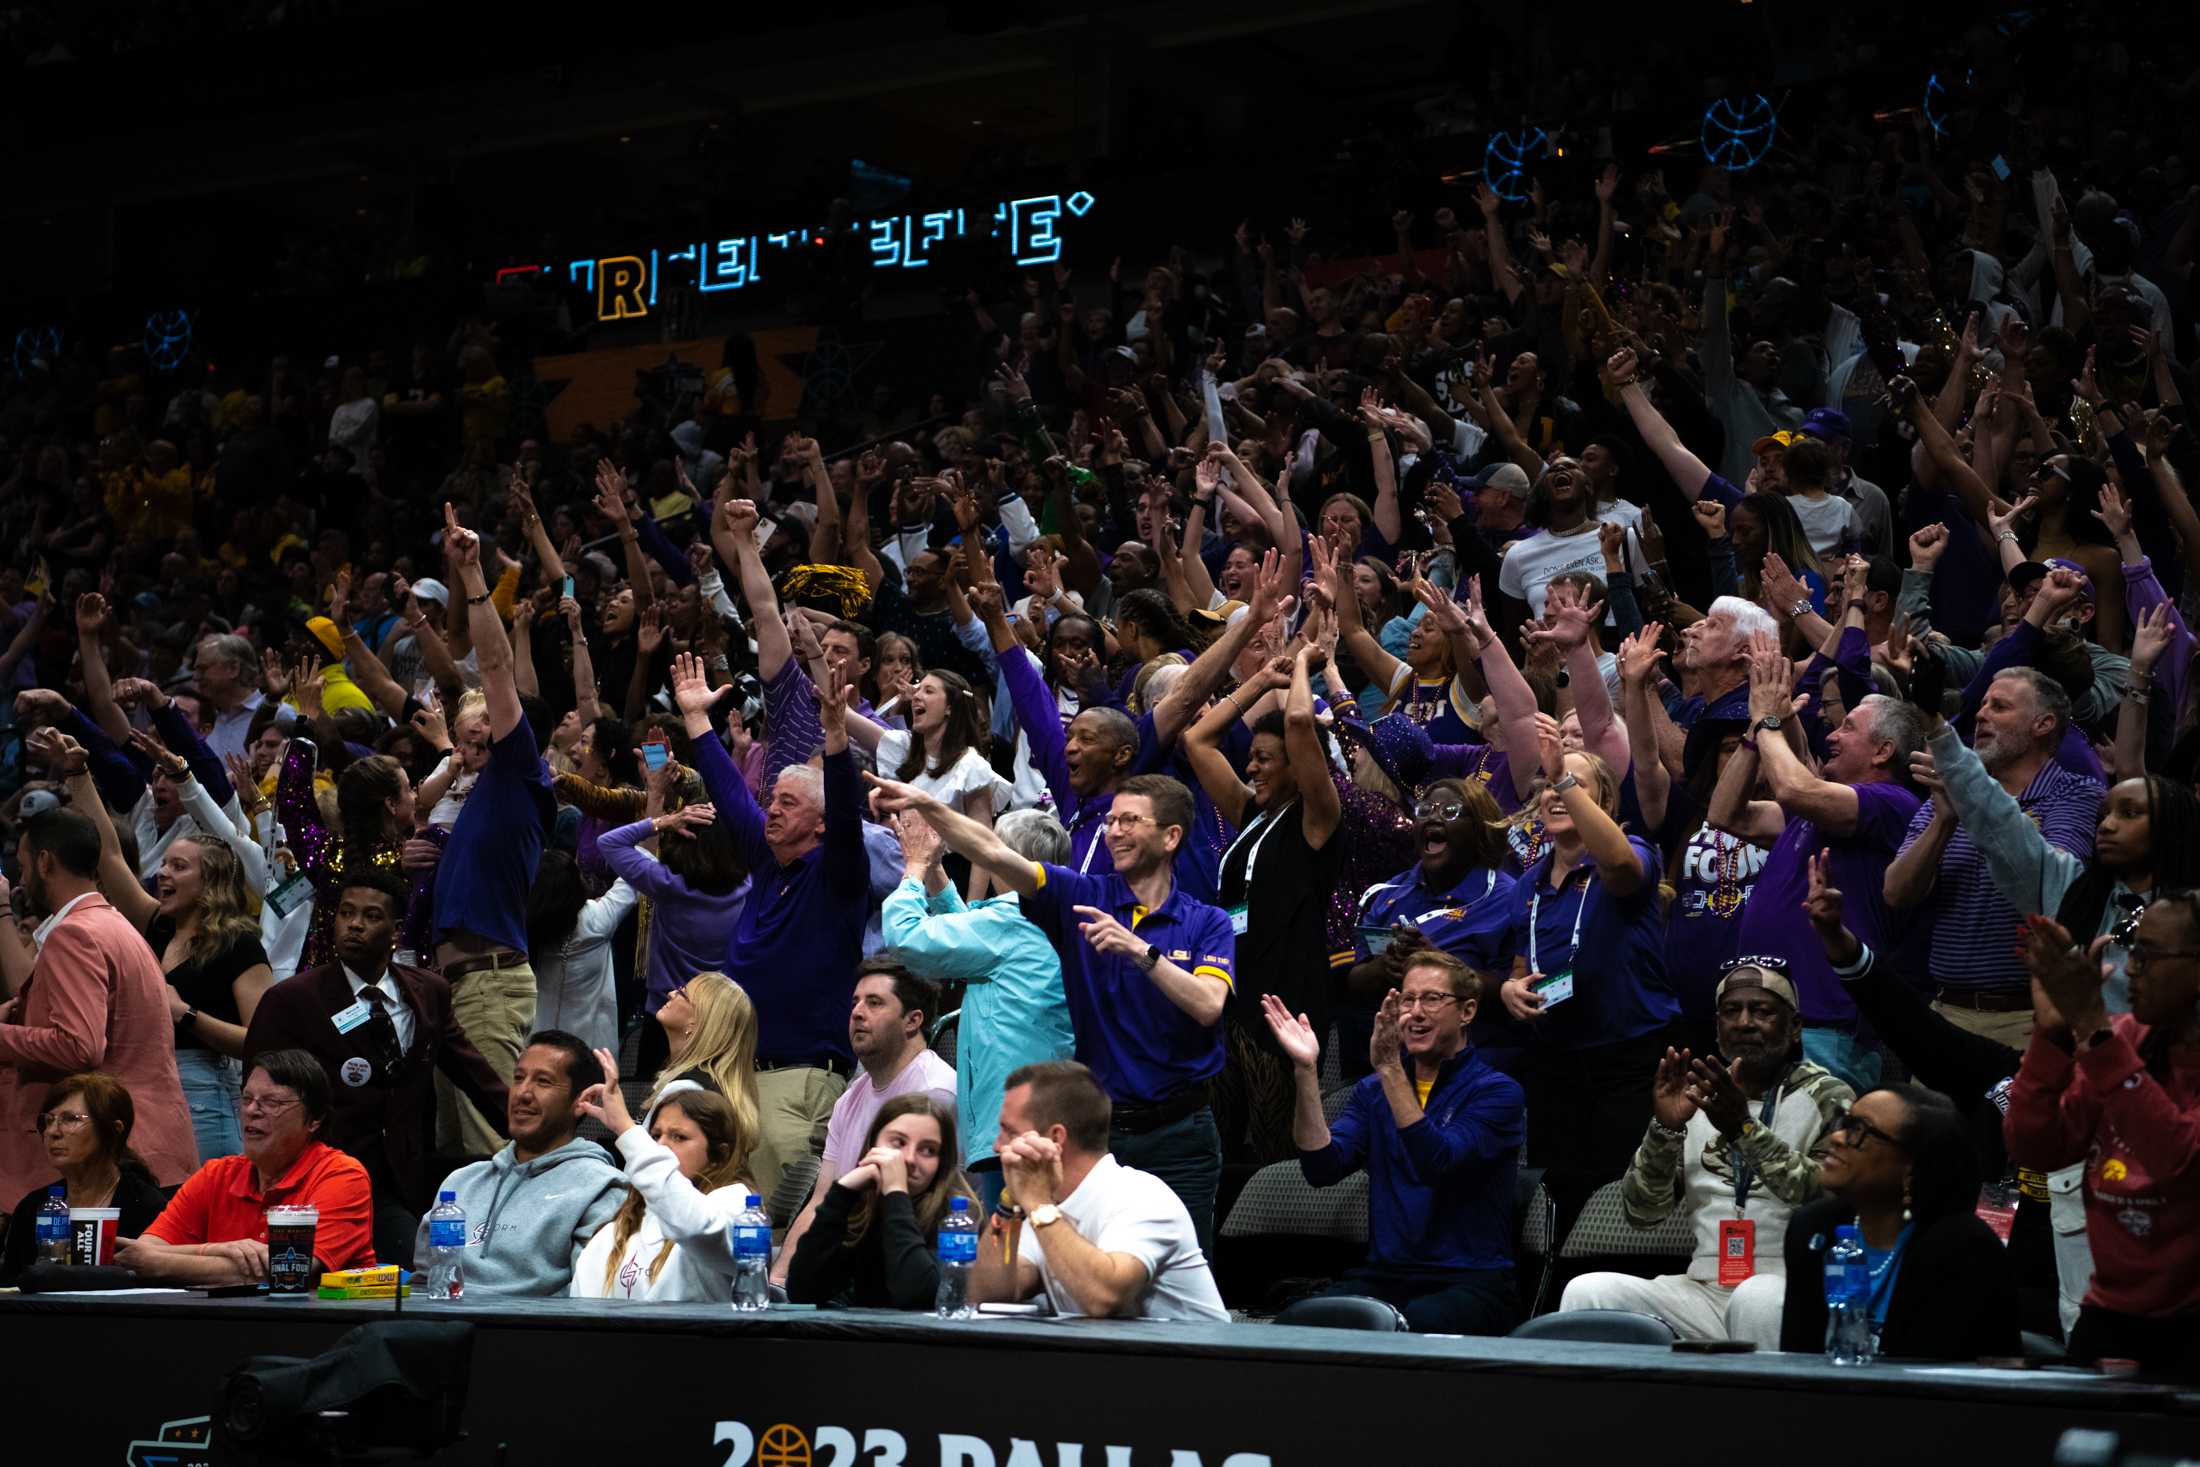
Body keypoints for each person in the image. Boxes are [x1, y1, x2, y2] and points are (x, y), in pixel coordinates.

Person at [870, 771, 1235, 1248]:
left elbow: (1209, 1006)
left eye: (1130, 820)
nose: (1114, 831)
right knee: (1083, 1271)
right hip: (1098, 1134)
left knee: (1179, 1267)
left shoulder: (1207, 922)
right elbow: (996, 853)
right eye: (1110, 820)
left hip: (1181, 1134)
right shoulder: (1083, 896)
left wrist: (1140, 952)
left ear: (1171, 837)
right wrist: (926, 802)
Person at [1558, 961, 1852, 1346]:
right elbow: (1642, 1212)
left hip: (1790, 1286)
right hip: (1703, 1287)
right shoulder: (1697, 1094)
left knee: (1757, 1297)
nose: (1744, 1022)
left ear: (1794, 1027)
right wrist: (1665, 1129)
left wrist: (1742, 1130)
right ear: (1717, 1027)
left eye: (1762, 1011)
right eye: (1731, 1011)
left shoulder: (1828, 1095)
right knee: (1589, 1292)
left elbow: (1828, 1200)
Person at [675, 645, 871, 1204]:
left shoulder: (837, 876)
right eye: (773, 799)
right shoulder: (768, 861)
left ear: (820, 823)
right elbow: (731, 793)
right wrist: (696, 718)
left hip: (799, 1079)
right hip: (737, 1075)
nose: (774, 810)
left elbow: (847, 818)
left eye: (788, 802)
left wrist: (835, 735)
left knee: (781, 1224)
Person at [243, 868, 511, 1266]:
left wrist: (531, 1126)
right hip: (323, 1176)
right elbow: (259, 1095)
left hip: (407, 1175)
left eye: (370, 917)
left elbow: (472, 1073)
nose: (354, 925)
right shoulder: (293, 1000)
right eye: (346, 913)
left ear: (396, 930)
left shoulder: (428, 992)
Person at [1269, 950, 1526, 1334]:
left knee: (1417, 1325)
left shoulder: (1497, 1092)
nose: (1415, 1012)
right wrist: (1305, 1071)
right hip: (1386, 1276)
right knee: (1298, 1321)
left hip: (1469, 1281)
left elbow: (1436, 1162)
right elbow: (1321, 1168)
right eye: (1408, 999)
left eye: (1432, 999)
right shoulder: (1373, 1092)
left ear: (1468, 1011)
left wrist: (1389, 1067)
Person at [1710, 642, 1928, 1092]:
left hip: (1829, 1029)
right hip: (1772, 1020)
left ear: (1883, 751)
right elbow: (1725, 814)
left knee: (1816, 1159)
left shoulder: (1894, 804)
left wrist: (1768, 718)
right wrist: (1756, 732)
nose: (1831, 732)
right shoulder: (1811, 809)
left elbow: (1792, 788)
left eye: (1847, 728)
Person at [52, 734, 270, 1163]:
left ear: (210, 883)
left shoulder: (239, 944)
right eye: (164, 864)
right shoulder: (156, 926)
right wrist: (78, 774)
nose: (162, 874)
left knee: (191, 1219)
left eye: (178, 867)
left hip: (203, 1092)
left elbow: (261, 1041)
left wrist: (186, 1015)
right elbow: (110, 856)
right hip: (139, 1085)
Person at [2008, 899, 2200, 1378]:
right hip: (2111, 1314)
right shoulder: (2125, 1038)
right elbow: (2036, 1149)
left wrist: (2093, 1029)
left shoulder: (2108, 1042)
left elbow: (2180, 1163)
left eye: (2150, 956)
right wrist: (2051, 1036)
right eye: (2132, 949)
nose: (2130, 968)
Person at [1495, 734, 1678, 1235]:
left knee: (1617, 1192)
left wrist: (1561, 776)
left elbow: (1619, 865)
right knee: (1560, 1193)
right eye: (1547, 784)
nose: (1554, 793)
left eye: (1571, 782)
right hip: (1555, 1060)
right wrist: (1511, 988)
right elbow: (1520, 960)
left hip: (1627, 1057)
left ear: (1602, 800)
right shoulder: (1528, 882)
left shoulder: (1632, 852)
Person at [1181, 644, 1342, 1162]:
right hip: (1234, 999)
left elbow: (1299, 720)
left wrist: (1297, 667)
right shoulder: (1251, 813)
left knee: (1277, 1146)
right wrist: (1258, 681)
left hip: (1287, 1003)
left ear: (1298, 765)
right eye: (1250, 756)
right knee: (1222, 1143)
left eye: (1264, 758)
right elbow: (1197, 739)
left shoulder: (1317, 819)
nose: (1251, 767)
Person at [432, 503, 556, 1157]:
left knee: (490, 1149)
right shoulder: (477, 794)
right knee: (457, 1154)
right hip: (453, 988)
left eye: (489, 723)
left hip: (488, 982)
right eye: (467, 726)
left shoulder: (519, 776)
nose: (479, 732)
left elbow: (496, 669)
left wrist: (474, 576)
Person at [1890, 668, 2101, 1045]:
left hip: (2026, 1018)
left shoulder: (2075, 794)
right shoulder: (1945, 795)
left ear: (2043, 724)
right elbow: (1896, 893)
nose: (1980, 714)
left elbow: (2052, 889)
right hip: (1945, 1011)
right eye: (1983, 704)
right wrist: (1944, 822)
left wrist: (1973, 799)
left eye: (1999, 707)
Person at [880, 806, 1076, 1213]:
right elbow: (967, 931)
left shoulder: (1009, 923)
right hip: (1040, 1115)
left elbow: (908, 939)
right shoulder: (1038, 915)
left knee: (1013, 1258)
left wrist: (914, 867)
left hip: (1015, 1126)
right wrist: (933, 868)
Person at [0, 806, 197, 1202]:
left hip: (111, 1160)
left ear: (44, 862)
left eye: (22, 867)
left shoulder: (74, 934)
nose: (21, 881)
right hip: (151, 1146)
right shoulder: (116, 925)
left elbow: (80, 1045)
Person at [968, 1060, 1228, 1321]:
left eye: (1008, 1131)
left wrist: (1038, 1205)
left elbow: (1104, 1297)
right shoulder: (1040, 1203)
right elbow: (986, 1294)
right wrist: (1009, 1203)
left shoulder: (1142, 1198)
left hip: (1199, 1360)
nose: (997, 1146)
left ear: (1056, 1138)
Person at [1779, 1084, 2020, 1359]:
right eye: (1844, 1123)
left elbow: (1939, 1382)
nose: (1836, 1138)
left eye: (1859, 1130)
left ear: (1913, 1164)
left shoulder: (1962, 1248)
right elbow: (1799, 1363)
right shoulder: (1813, 1229)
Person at [117, 1048, 375, 1283]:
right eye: (246, 1099)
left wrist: (163, 1262)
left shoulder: (341, 1176)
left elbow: (288, 1269)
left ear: (315, 1120)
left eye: (272, 1102)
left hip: (318, 1328)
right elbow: (142, 1252)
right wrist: (218, 1248)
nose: (252, 1110)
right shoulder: (216, 1175)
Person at [775, 960, 956, 1281]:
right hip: (852, 1257)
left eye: (874, 1003)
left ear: (913, 1021)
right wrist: (778, 1281)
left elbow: (941, 1203)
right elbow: (821, 1199)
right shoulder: (850, 1097)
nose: (857, 1012)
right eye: (855, 1002)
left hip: (912, 1264)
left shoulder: (935, 1091)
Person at [420, 1030, 629, 1297]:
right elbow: (426, 1278)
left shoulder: (601, 1188)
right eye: (518, 1078)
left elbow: (587, 1296)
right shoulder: (461, 1183)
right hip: (438, 1325)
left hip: (529, 1332)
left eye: (543, 1082)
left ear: (582, 1102)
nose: (522, 1093)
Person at [571, 1046, 755, 1303]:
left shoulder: (737, 1206)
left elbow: (694, 1226)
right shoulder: (613, 1234)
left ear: (718, 1153)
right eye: (655, 1135)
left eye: (679, 1137)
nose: (660, 1147)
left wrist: (626, 1128)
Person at [596, 773, 749, 1077]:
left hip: (663, 1020)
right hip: (716, 1021)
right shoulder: (748, 888)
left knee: (653, 1106)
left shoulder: (667, 885)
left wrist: (663, 821)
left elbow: (609, 843)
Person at [785, 1092, 977, 1308]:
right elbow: (803, 1291)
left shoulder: (959, 1218)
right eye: (898, 1143)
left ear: (941, 1163)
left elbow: (918, 1297)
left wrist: (896, 1193)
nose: (909, 1159)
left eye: (928, 1150)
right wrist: (841, 1193)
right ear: (872, 1146)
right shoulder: (860, 1207)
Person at [0, 1072, 169, 1281]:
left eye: (70, 1119)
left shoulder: (145, 1206)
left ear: (113, 1131)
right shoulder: (33, 1207)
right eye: (48, 1120)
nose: (52, 1132)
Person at [523, 851, 639, 1058]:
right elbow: (636, 867)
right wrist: (654, 825)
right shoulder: (599, 919)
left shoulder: (528, 928)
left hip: (537, 1046)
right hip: (592, 1052)